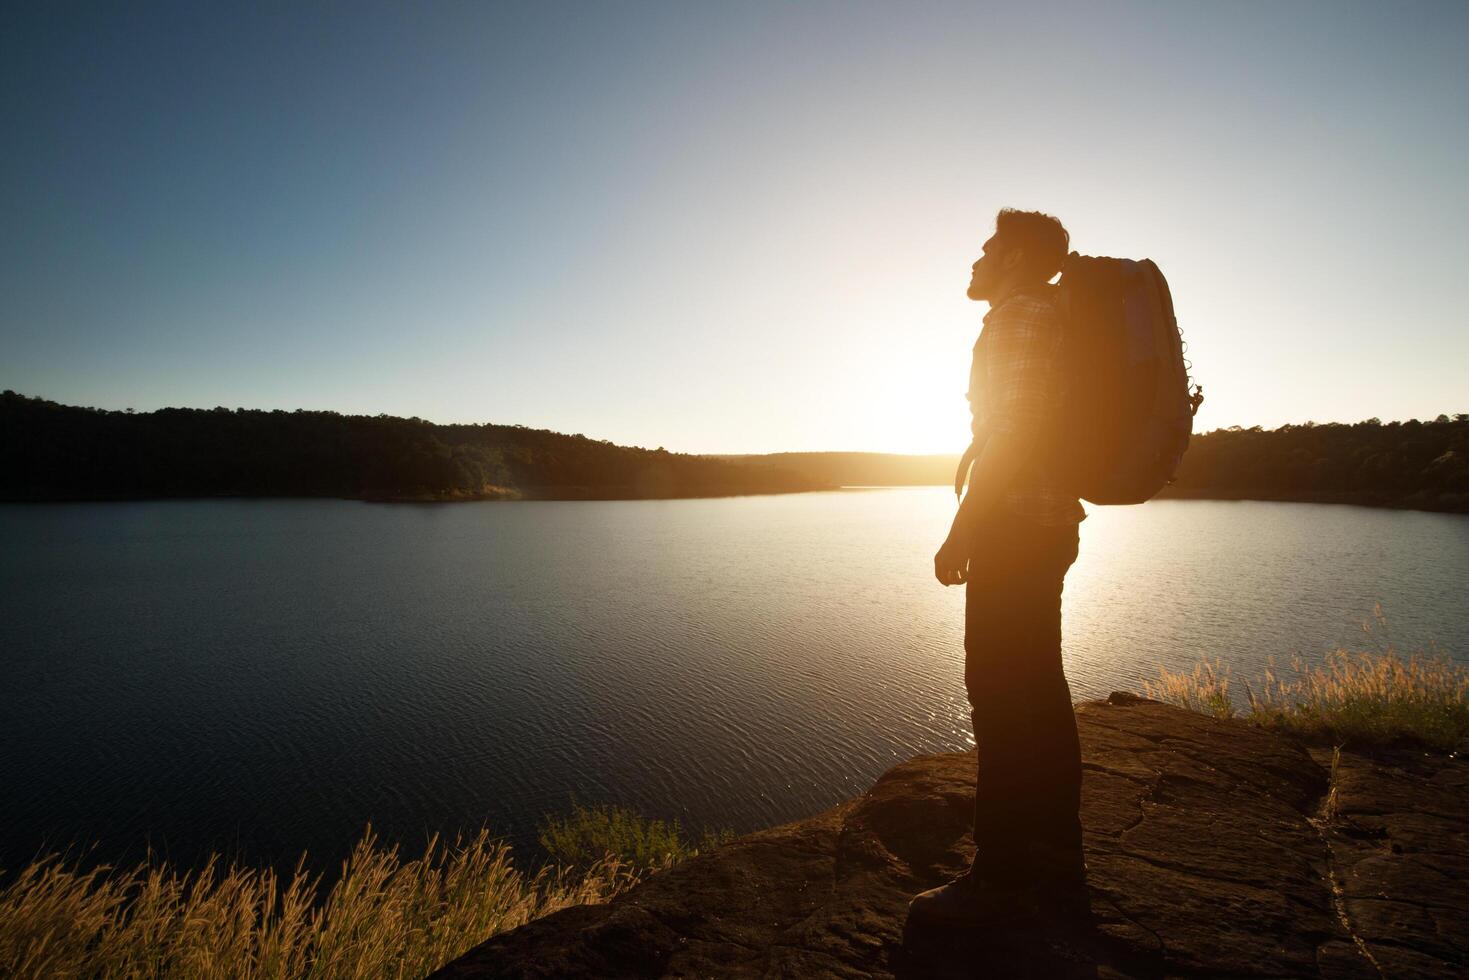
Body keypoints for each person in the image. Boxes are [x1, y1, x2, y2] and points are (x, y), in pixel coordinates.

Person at [908, 208, 1088, 931]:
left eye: (987, 249)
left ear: (1014, 257)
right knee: (1037, 685)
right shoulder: (1042, 314)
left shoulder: (1018, 318)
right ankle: (1052, 851)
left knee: (998, 691)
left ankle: (1001, 873)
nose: (975, 260)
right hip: (1041, 524)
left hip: (1016, 527)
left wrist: (961, 531)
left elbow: (1012, 433)